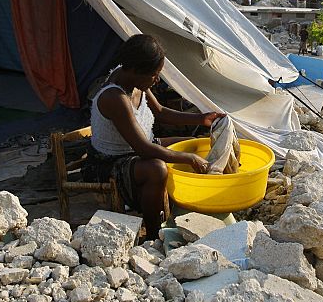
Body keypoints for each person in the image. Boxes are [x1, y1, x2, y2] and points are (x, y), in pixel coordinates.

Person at [85, 34, 224, 238]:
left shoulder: (134, 81)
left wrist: (201, 119)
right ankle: (152, 233)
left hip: (139, 147)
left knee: (193, 144)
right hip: (109, 163)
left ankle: (186, 210)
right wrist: (189, 159)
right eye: (153, 75)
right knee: (157, 169)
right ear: (135, 70)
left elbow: (159, 112)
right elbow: (144, 149)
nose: (156, 80)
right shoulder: (115, 97)